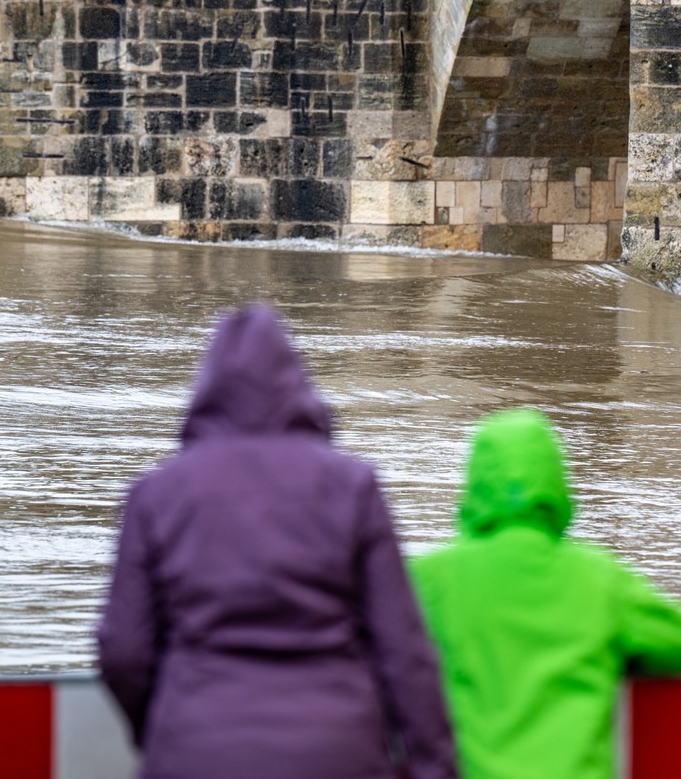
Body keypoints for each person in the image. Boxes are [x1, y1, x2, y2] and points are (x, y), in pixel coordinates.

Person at [97, 304, 456, 779]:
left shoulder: (157, 493)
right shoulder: (351, 486)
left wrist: (166, 726)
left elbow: (123, 650)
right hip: (335, 751)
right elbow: (403, 651)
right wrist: (433, 766)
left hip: (198, 749)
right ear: (297, 387)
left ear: (206, 391)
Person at [410, 408, 681, 779]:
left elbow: (387, 651)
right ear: (556, 486)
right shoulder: (598, 575)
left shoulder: (434, 577)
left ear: (475, 486)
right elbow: (677, 641)